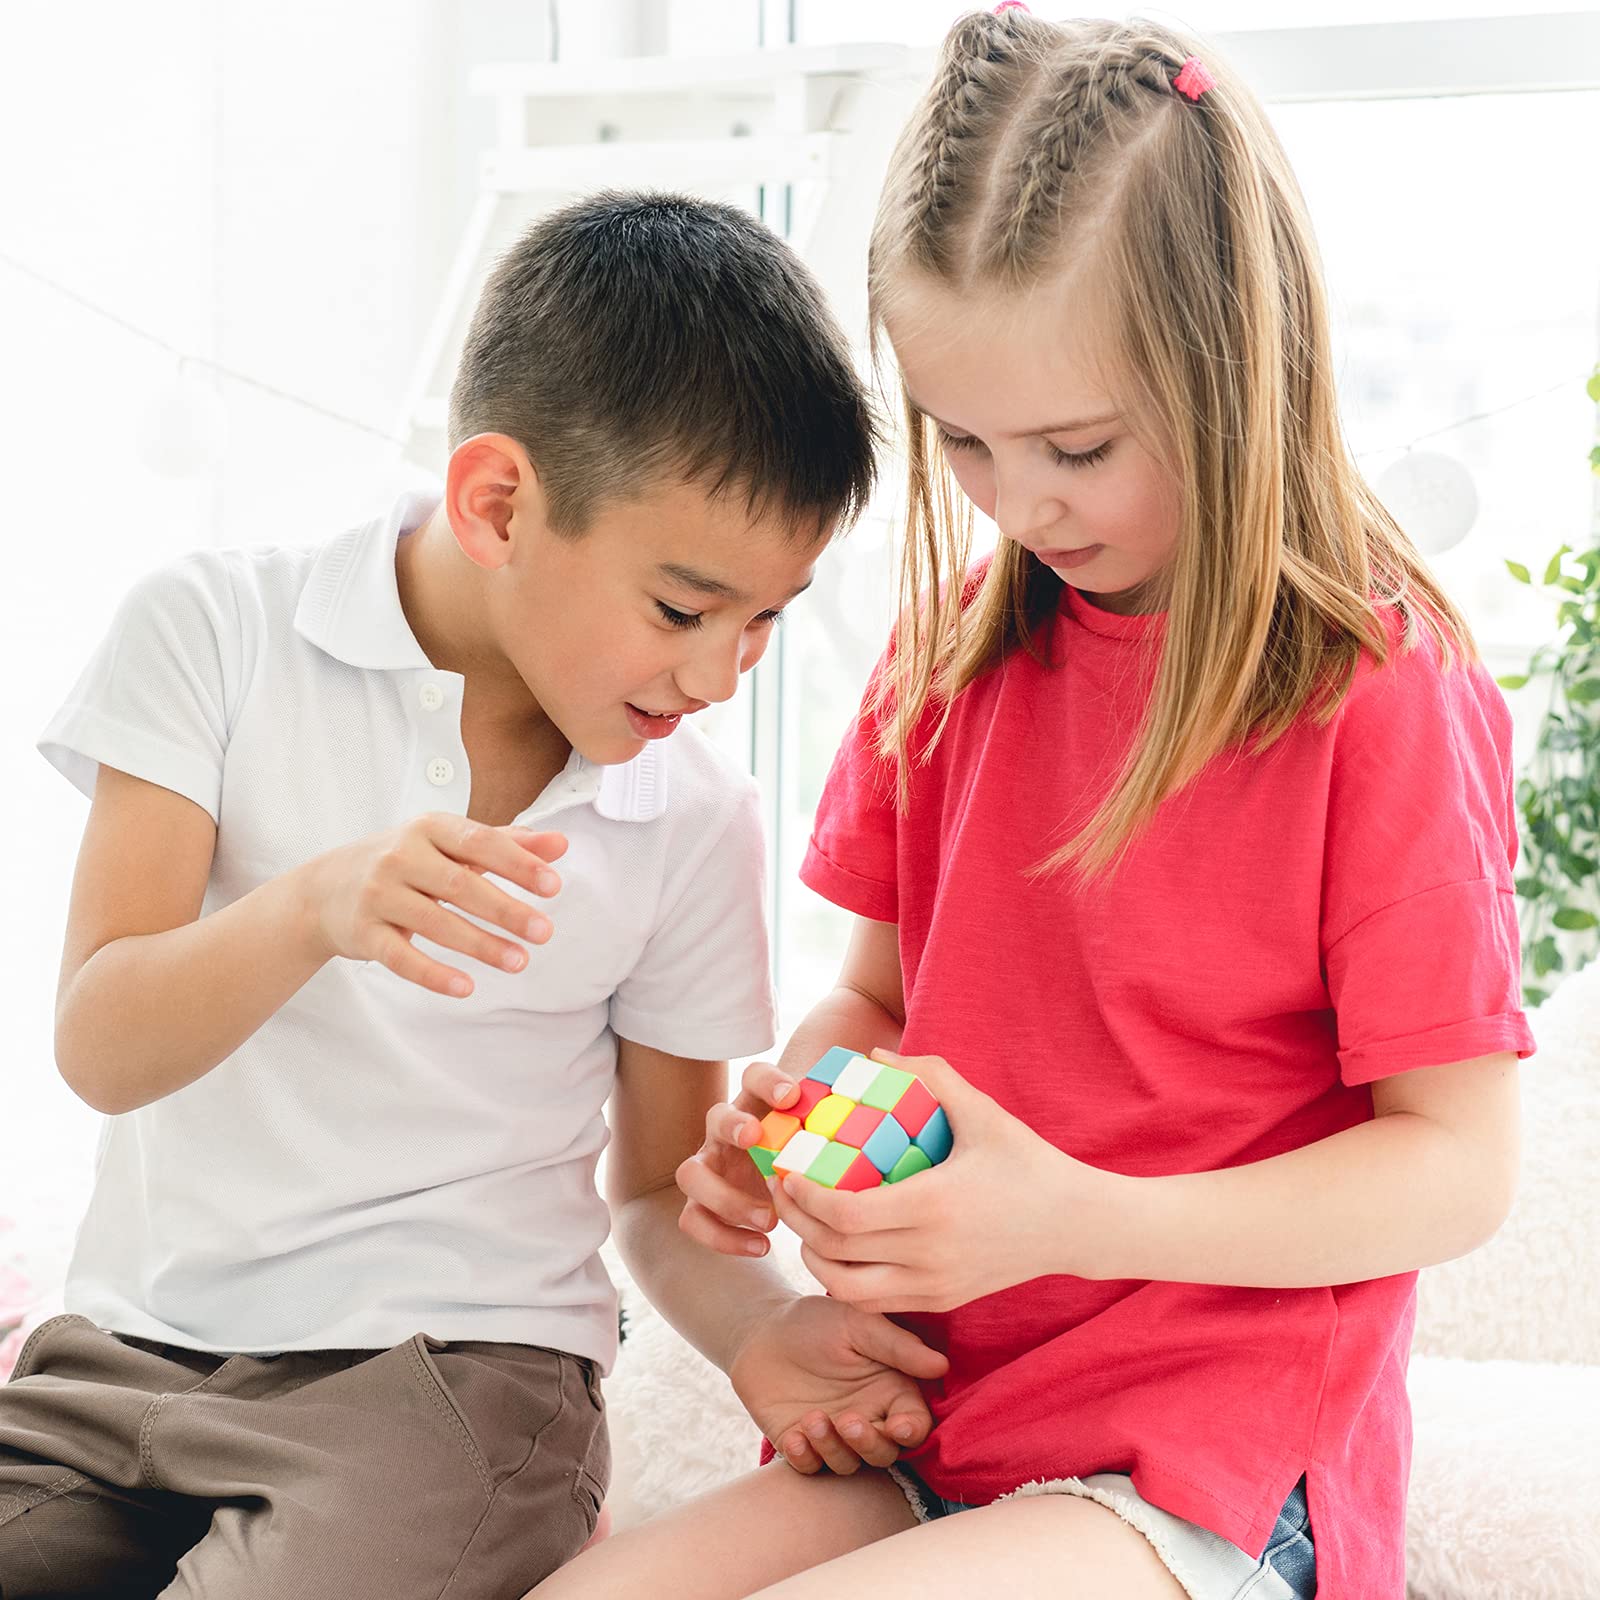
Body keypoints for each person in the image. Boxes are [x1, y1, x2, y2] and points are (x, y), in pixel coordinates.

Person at [532, 12, 1534, 1600]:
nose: (1019, 501)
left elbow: (1457, 1171)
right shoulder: (954, 654)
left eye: (1076, 446)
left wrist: (1072, 1216)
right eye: (965, 442)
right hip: (946, 1421)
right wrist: (796, 1128)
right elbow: (876, 995)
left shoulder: (1375, 693)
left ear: (1234, 367)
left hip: (1207, 1466)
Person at [0, 191, 898, 1598]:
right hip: (119, 1353)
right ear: (498, 505)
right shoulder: (213, 634)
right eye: (683, 609)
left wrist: (759, 1332)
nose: (723, 675)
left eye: (766, 620)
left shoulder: (689, 818)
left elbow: (659, 1189)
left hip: (450, 1383)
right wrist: (313, 909)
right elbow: (101, 1047)